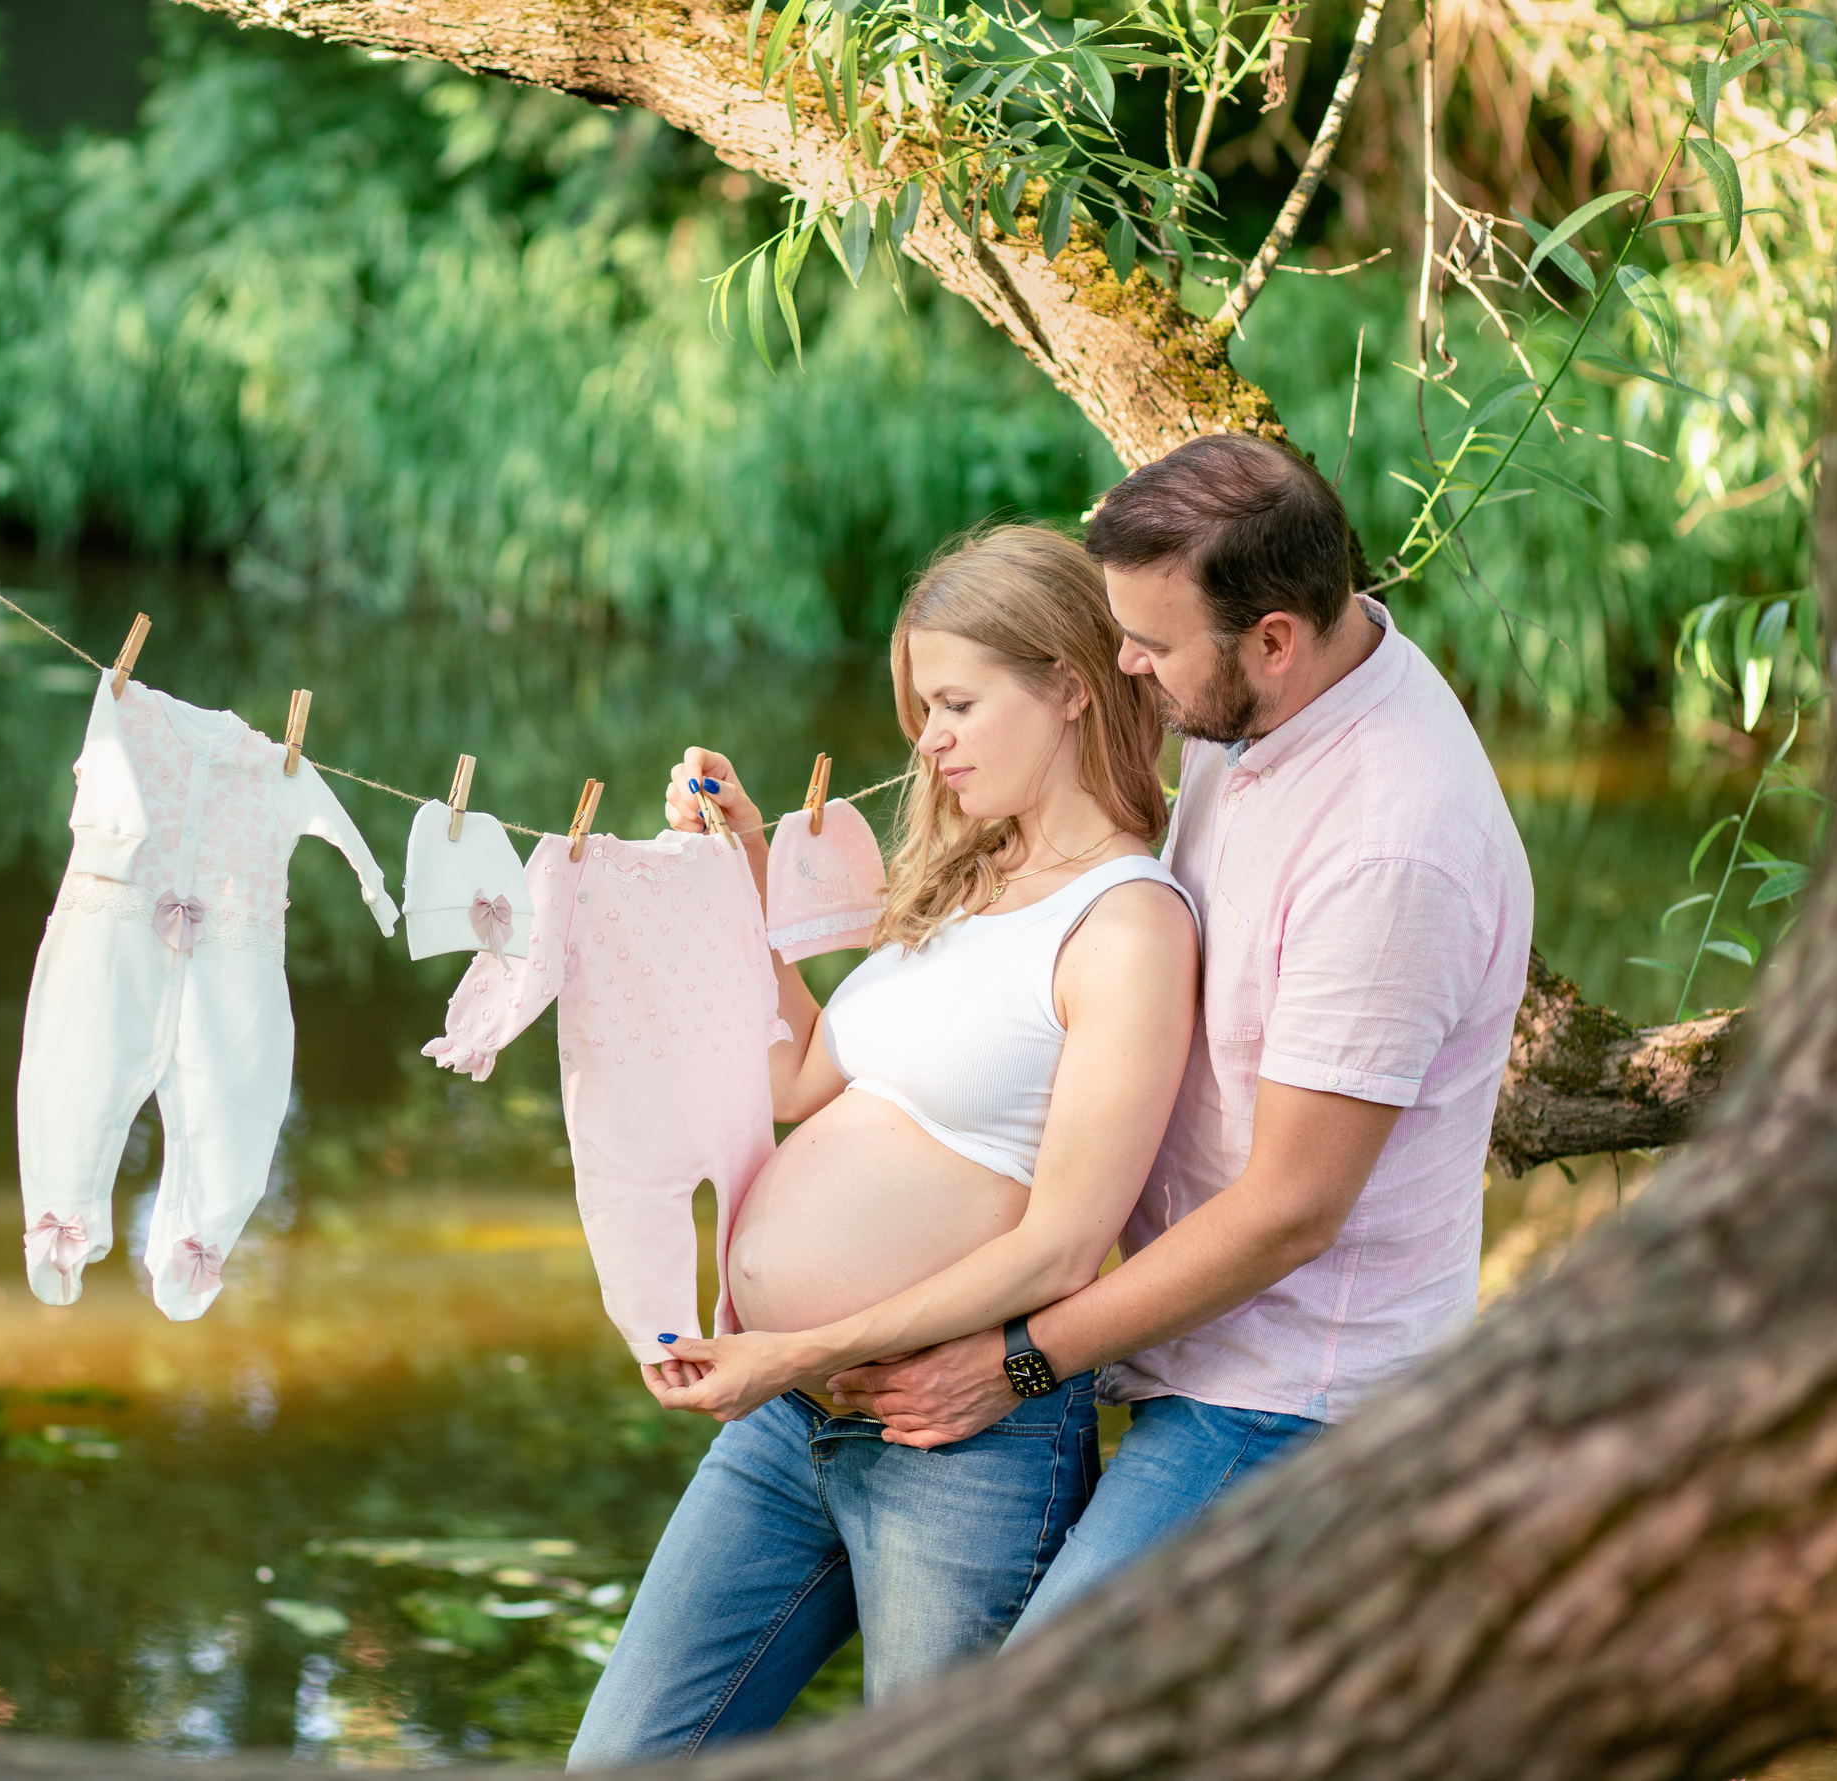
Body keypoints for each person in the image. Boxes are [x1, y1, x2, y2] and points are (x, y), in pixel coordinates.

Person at [824, 434, 1535, 1643]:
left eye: (1148, 648)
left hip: (1285, 1393)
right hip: (1172, 1345)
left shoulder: (1388, 846)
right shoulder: (1258, 703)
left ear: (1272, 638)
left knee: (1049, 1711)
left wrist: (1024, 1356)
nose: (1123, 669)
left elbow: (1288, 1211)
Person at [565, 525, 1202, 1767]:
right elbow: (804, 1074)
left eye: (958, 702)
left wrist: (796, 1343)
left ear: (1072, 683)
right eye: (922, 706)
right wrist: (736, 881)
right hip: (785, 1419)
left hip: (957, 1444)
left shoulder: (1126, 927)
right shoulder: (971, 876)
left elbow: (1067, 1242)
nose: (929, 737)